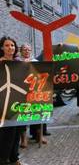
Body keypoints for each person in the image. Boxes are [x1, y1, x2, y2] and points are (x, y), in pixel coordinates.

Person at [19, 44, 47, 146]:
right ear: (20, 51)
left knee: (36, 112)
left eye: (28, 50)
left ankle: (39, 136)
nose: (27, 51)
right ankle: (23, 139)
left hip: (34, 91)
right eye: (24, 49)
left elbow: (41, 75)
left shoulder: (35, 62)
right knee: (22, 114)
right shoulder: (16, 62)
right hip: (21, 92)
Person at [0, 36, 22, 165]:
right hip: (3, 102)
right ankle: (3, 159)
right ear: (2, 47)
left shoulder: (19, 63)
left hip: (18, 101)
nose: (10, 48)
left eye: (12, 45)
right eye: (7, 45)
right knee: (6, 132)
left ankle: (14, 158)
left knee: (17, 132)